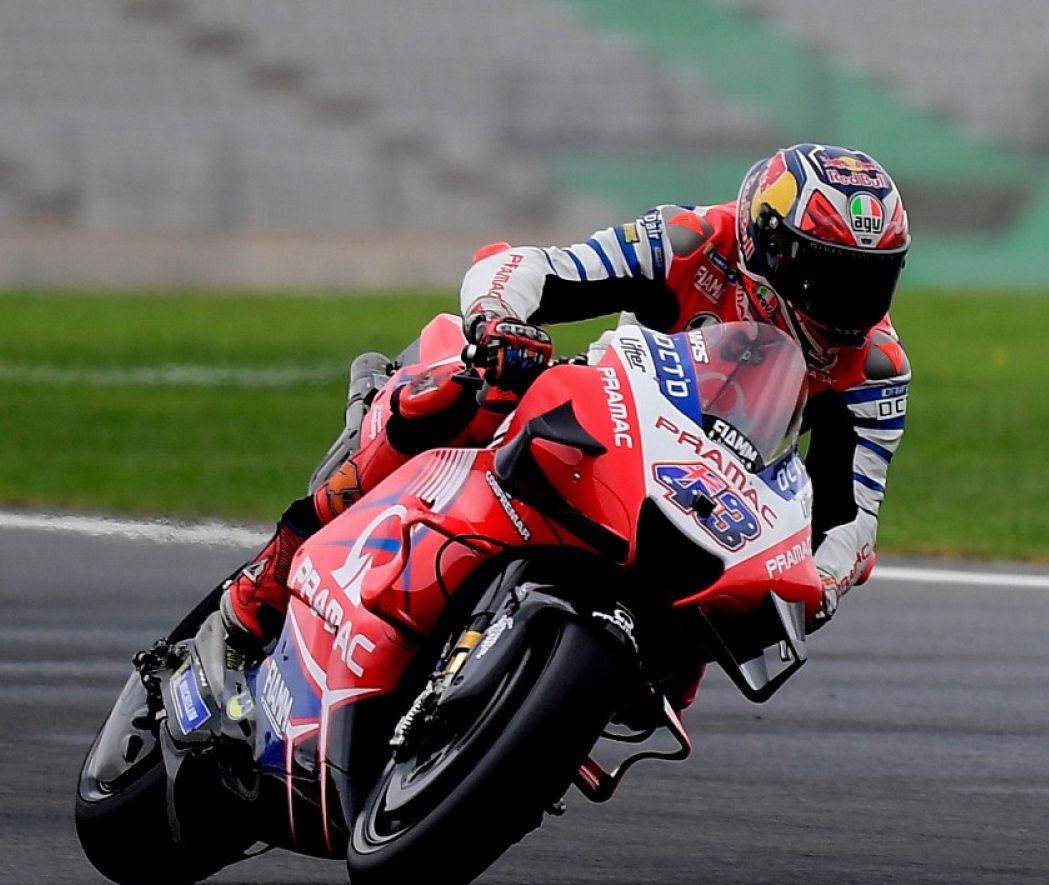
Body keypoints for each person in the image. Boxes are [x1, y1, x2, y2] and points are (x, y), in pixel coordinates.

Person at [214, 142, 911, 657]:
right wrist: (497, 320)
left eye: (868, 282)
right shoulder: (693, 241)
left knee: (720, 640)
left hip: (720, 500)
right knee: (463, 391)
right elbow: (536, 270)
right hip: (616, 419)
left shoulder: (875, 364)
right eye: (825, 276)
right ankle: (273, 575)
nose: (846, 304)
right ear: (766, 244)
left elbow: (853, 516)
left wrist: (820, 578)